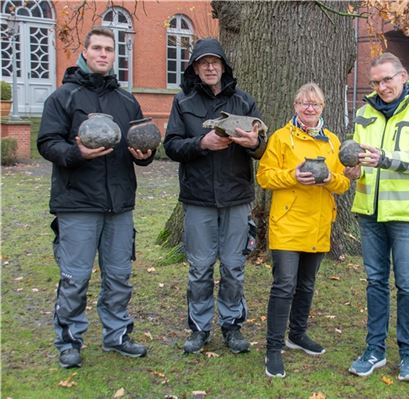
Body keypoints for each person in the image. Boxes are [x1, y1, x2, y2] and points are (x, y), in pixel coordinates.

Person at [37, 27, 154, 369]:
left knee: (119, 275)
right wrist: (76, 153)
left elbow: (139, 143)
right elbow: (47, 143)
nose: (103, 54)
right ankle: (69, 340)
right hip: (77, 203)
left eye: (109, 49)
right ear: (85, 53)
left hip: (118, 204)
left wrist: (144, 155)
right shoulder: (64, 97)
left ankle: (116, 335)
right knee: (75, 277)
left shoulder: (126, 100)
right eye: (97, 48)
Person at [163, 38, 266, 355]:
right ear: (195, 68)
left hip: (236, 197)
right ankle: (199, 328)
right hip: (198, 199)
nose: (209, 67)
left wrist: (251, 143)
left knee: (234, 267)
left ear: (223, 66)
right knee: (200, 268)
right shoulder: (183, 103)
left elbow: (263, 147)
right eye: (203, 62)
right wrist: (202, 144)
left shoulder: (244, 102)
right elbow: (171, 147)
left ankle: (232, 326)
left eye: (215, 62)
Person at [345, 53, 409, 381]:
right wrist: (352, 167)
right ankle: (375, 350)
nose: (382, 87)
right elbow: (358, 156)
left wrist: (384, 158)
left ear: (403, 77)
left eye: (387, 79)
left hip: (405, 213)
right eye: (375, 82)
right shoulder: (363, 112)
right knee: (374, 281)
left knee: (407, 284)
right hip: (369, 211)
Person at [256, 83, 350, 378]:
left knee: (307, 285)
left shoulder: (333, 142)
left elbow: (344, 183)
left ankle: (296, 335)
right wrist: (293, 176)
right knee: (284, 285)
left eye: (315, 104)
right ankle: (273, 348)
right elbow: (265, 177)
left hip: (319, 223)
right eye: (303, 103)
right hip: (286, 224)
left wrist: (329, 179)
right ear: (295, 106)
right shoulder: (281, 138)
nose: (309, 108)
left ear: (323, 108)